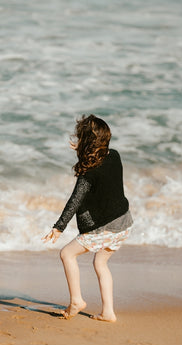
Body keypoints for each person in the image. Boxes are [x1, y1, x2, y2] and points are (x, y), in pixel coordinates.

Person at [42, 114, 132, 323]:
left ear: (86, 143)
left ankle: (76, 301)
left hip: (106, 226)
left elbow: (75, 200)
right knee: (101, 263)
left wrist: (59, 227)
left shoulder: (89, 171)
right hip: (124, 223)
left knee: (66, 254)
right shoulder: (115, 156)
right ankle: (108, 312)